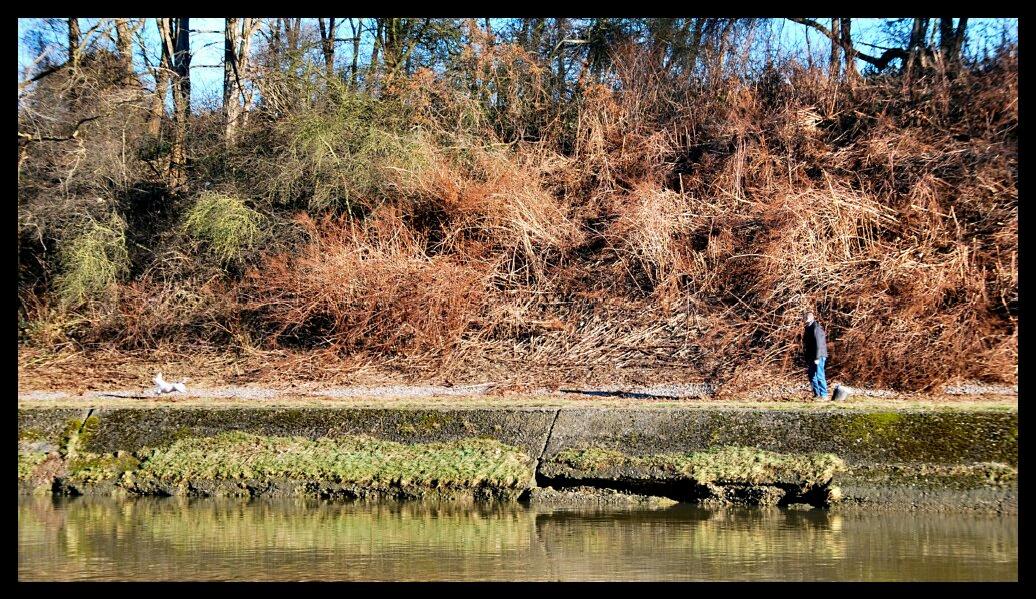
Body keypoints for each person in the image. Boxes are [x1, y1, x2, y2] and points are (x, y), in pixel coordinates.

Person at [802, 311, 828, 399]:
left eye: (806, 317)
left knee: (820, 375)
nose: (804, 319)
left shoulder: (816, 328)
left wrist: (817, 357)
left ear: (811, 318)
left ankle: (824, 395)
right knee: (811, 375)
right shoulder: (808, 328)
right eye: (804, 317)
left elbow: (819, 344)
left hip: (819, 355)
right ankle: (817, 394)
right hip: (812, 356)